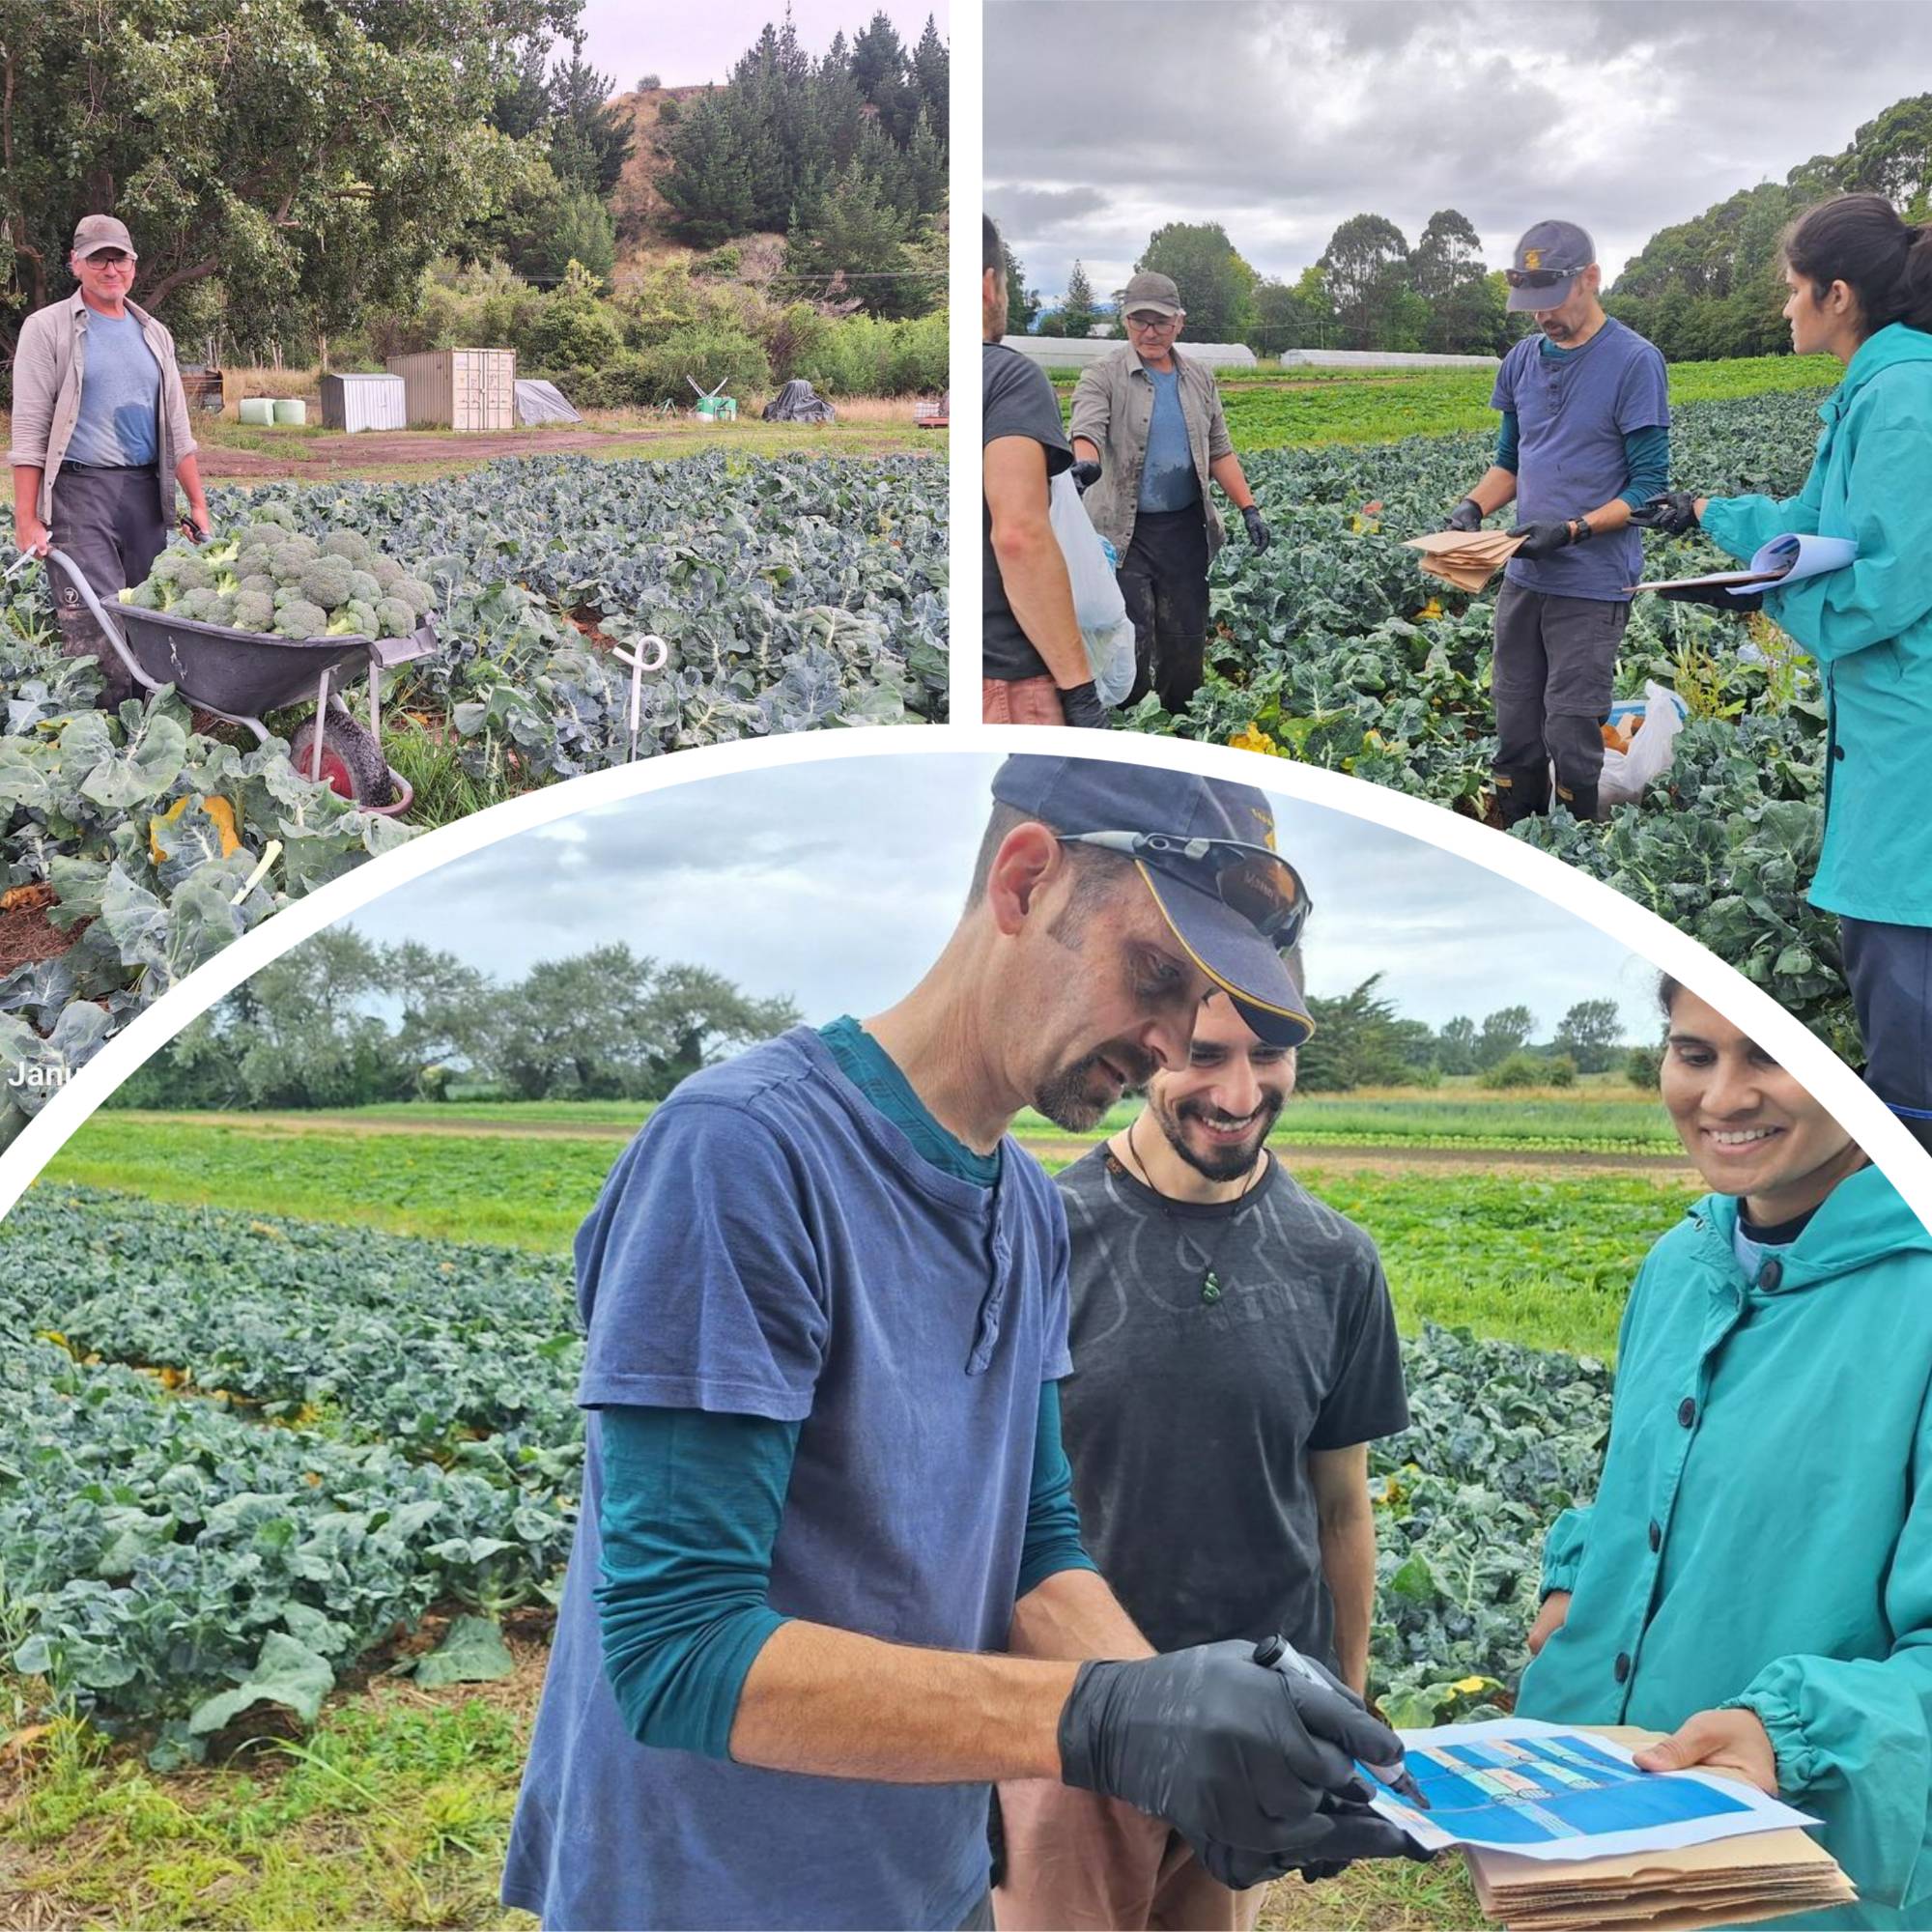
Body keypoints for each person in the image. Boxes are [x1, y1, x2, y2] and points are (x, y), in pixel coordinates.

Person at [501, 754, 1421, 1931]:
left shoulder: (1025, 1205)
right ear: (1025, 877)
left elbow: (1034, 1542)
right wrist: (1103, 1720)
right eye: (1153, 971)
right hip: (713, 1888)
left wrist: (1194, 1727)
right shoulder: (742, 1153)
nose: (1167, 1036)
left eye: (1196, 999)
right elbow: (678, 1647)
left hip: (923, 1875)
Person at [1517, 975, 1932, 1930]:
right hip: (1592, 1846)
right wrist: (1575, 1579)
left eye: (1769, 1056)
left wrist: (1781, 1732)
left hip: (1789, 1886)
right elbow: (1646, 1473)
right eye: (1693, 1051)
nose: (1720, 1098)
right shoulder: (1680, 1265)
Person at [995, 990, 1410, 1932]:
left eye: (1267, 1055)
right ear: (1145, 1052)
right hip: (1077, 1720)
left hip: (1260, 1724)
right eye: (1202, 1053)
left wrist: (1343, 1705)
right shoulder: (1036, 1237)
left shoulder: (1334, 1258)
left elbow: (1338, 1507)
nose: (1236, 1088)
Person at [1631, 194, 1932, 1154]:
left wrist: (1761, 600)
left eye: (1791, 290)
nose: (1782, 308)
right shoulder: (1869, 393)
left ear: (1835, 295)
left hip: (1910, 739)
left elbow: (1875, 588)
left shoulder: (1904, 403)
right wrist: (1712, 515)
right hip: (1886, 739)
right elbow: (1812, 523)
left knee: (1904, 984)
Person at [1441, 221, 1670, 824]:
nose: (1541, 316)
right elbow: (1511, 462)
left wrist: (1572, 530)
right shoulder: (1520, 360)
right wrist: (1472, 507)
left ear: (1591, 279)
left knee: (1571, 724)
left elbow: (1648, 488)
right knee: (1514, 713)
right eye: (1531, 305)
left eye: (1552, 301)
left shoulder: (1634, 362)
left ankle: (1577, 841)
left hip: (1592, 582)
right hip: (1526, 576)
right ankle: (1515, 825)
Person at [8, 214, 210, 709]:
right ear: (75, 264)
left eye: (118, 257)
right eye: (97, 258)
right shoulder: (48, 327)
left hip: (145, 493)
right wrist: (26, 517)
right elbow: (30, 430)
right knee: (98, 619)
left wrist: (197, 503)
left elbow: (177, 431)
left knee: (151, 612)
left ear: (133, 266)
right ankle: (103, 734)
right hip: (80, 493)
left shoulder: (154, 333)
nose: (110, 267)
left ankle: (152, 723)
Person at [1068, 270, 1271, 715]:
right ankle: (1130, 726)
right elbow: (1087, 428)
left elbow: (1219, 450)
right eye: (1139, 321)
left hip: (1184, 531)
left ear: (1179, 322)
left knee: (1185, 639)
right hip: (1123, 534)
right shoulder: (1102, 375)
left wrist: (1249, 508)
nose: (1150, 331)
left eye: (1160, 322)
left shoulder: (1198, 378)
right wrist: (1085, 463)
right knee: (1130, 641)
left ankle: (1181, 723)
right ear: (1125, 322)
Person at [983, 214, 1110, 727]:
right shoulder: (1010, 374)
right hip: (1010, 676)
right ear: (987, 285)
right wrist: (1080, 693)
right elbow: (1017, 536)